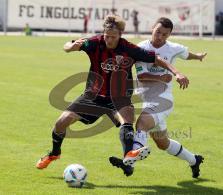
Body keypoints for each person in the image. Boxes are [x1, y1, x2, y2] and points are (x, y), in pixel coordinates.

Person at [36, 15, 189, 175]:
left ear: (120, 35)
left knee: (127, 120)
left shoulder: (129, 48)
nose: (109, 40)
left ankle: (128, 159)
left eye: (113, 37)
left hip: (119, 98)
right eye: (106, 36)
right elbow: (68, 45)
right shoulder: (95, 43)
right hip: (93, 96)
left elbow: (157, 59)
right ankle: (54, 154)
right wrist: (71, 46)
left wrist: (177, 73)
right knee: (61, 123)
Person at [110, 17, 206, 178]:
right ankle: (194, 160)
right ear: (152, 28)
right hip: (145, 100)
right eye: (158, 32)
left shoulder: (173, 48)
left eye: (164, 34)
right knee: (163, 144)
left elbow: (185, 54)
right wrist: (162, 78)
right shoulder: (141, 48)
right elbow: (142, 76)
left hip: (163, 100)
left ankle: (129, 163)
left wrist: (197, 56)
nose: (160, 36)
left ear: (169, 35)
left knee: (141, 123)